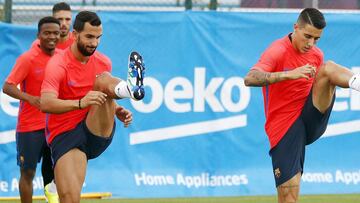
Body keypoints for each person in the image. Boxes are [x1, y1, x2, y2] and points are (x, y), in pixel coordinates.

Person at [244, 8, 360, 203]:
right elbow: (250, 78)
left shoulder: (316, 54)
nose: (311, 44)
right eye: (307, 36)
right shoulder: (277, 50)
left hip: (311, 117)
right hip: (285, 127)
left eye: (316, 39)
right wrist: (288, 74)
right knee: (289, 196)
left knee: (328, 69)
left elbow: (320, 81)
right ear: (295, 27)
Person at [40, 10, 145, 203]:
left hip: (95, 130)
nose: (94, 43)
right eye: (89, 37)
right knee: (70, 199)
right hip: (65, 136)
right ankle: (126, 89)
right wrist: (80, 103)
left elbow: (103, 93)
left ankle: (128, 89)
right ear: (74, 35)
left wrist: (116, 109)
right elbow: (45, 103)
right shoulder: (58, 64)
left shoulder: (103, 61)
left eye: (98, 38)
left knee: (103, 79)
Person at [2, 17, 60, 203]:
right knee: (28, 172)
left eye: (55, 33)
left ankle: (53, 200)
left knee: (56, 172)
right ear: (38, 35)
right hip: (30, 128)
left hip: (55, 126)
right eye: (47, 33)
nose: (51, 37)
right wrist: (31, 99)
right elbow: (8, 86)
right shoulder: (27, 59)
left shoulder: (62, 58)